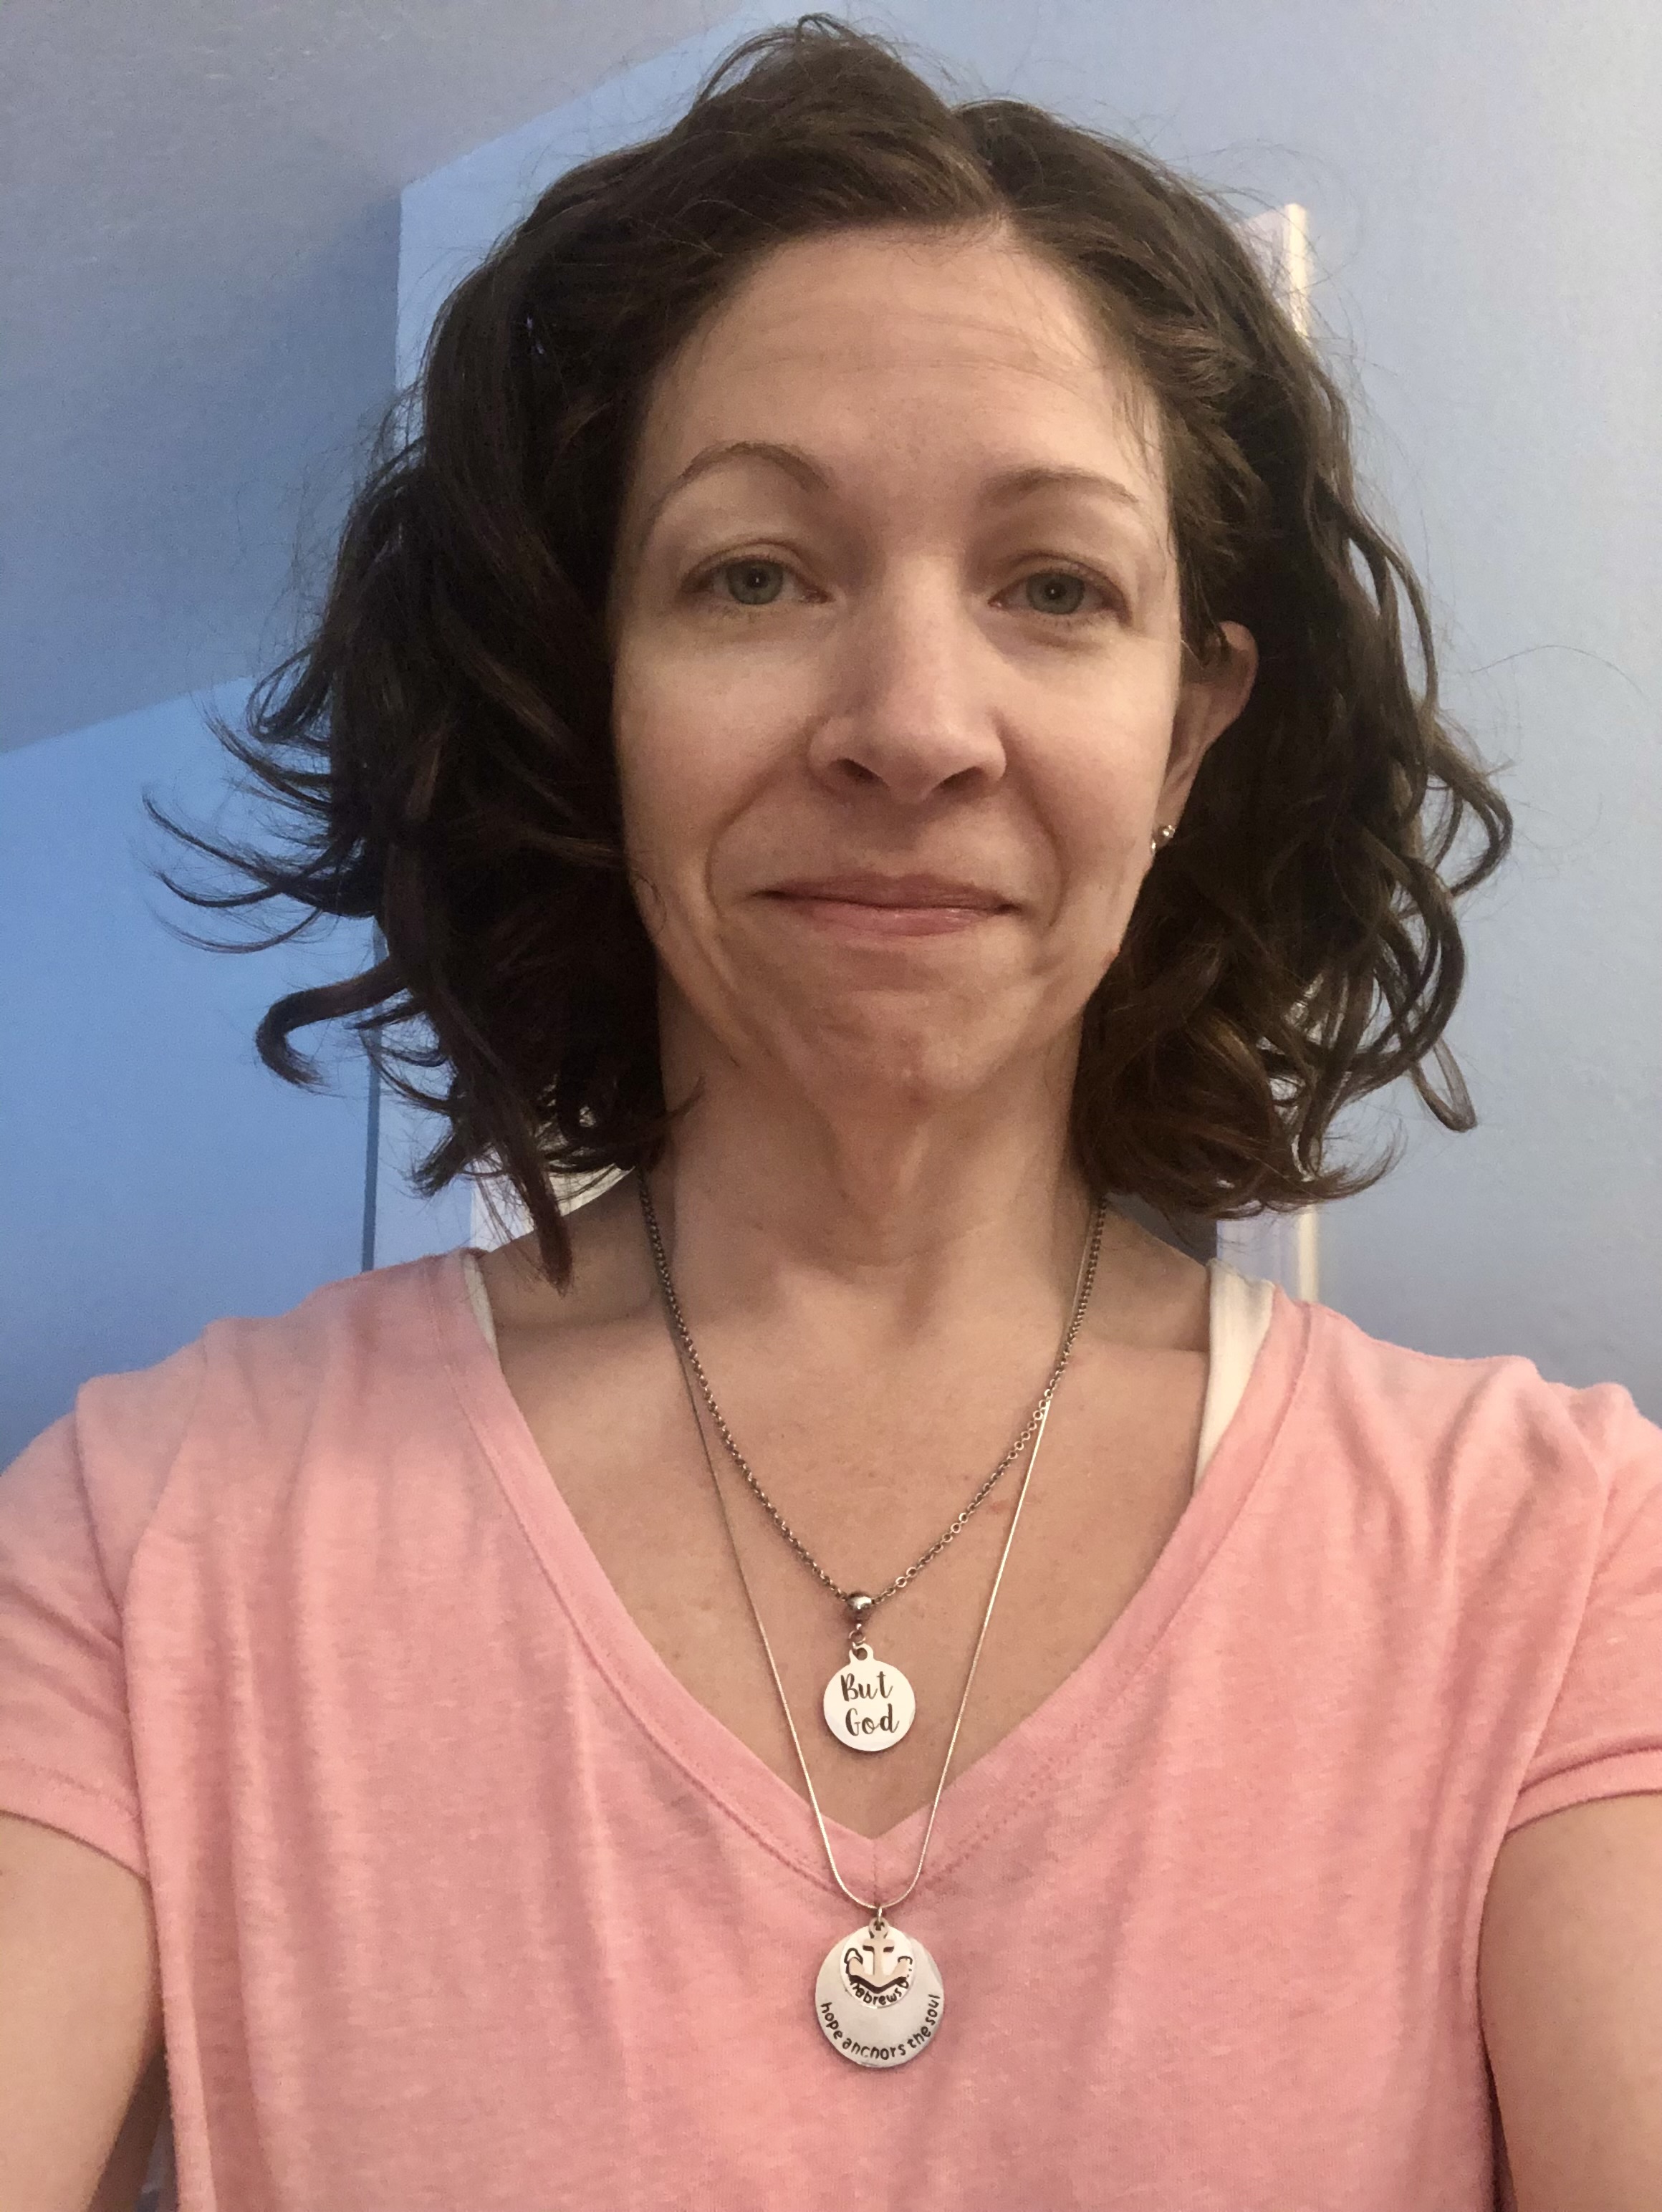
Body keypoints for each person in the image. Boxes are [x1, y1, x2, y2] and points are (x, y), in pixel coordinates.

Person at [4, 16, 1659, 2210]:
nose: (912, 724)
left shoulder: (1560, 1563)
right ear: (594, 692)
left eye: (1055, 588)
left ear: (1189, 732)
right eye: (754, 575)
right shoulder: (152, 1540)